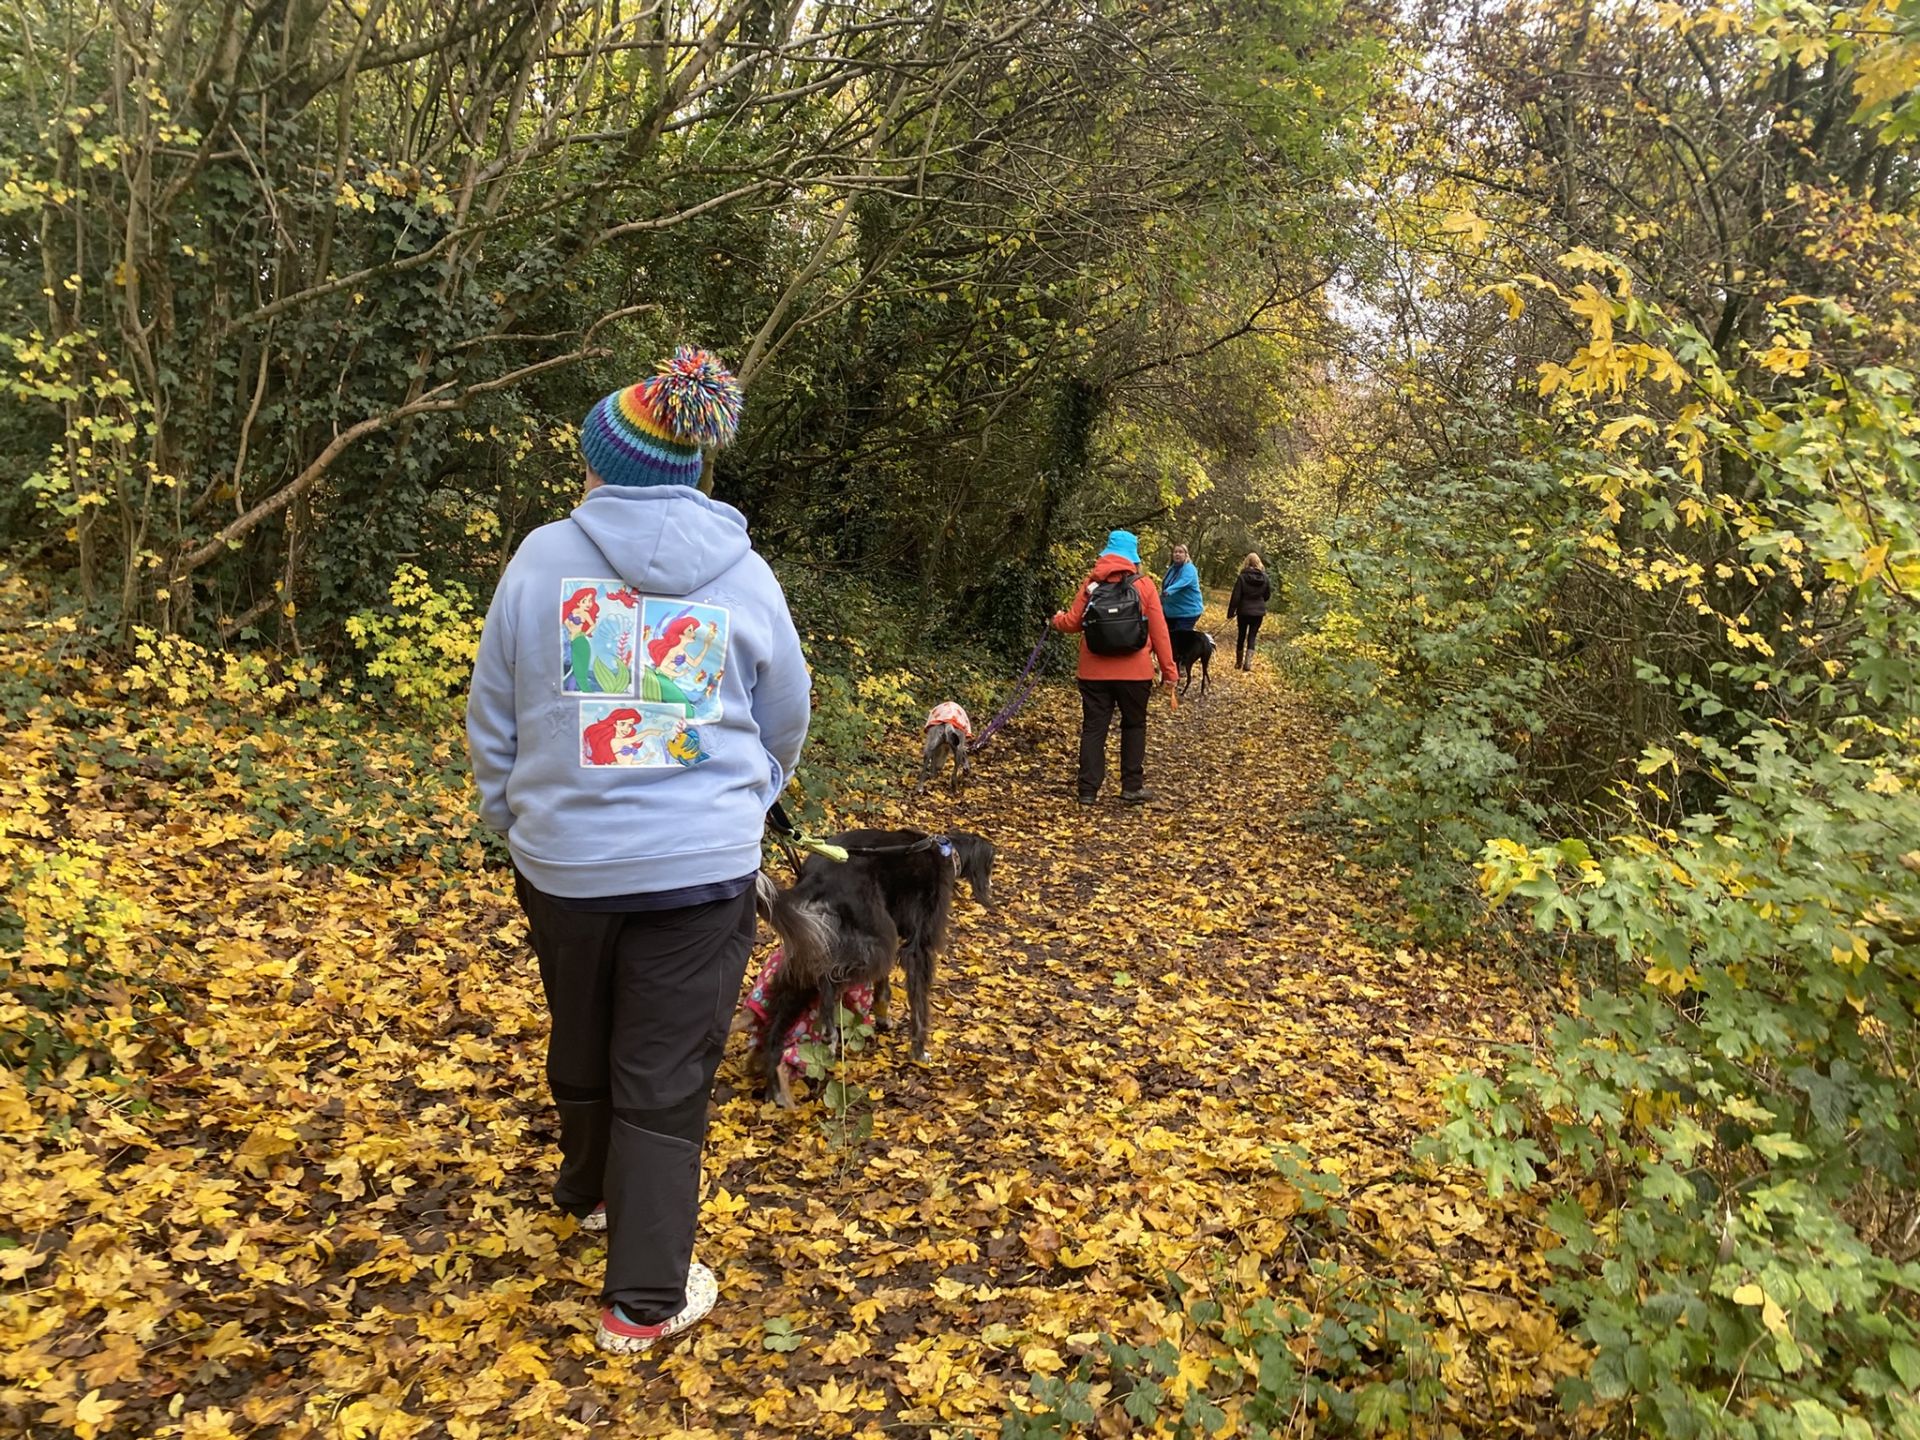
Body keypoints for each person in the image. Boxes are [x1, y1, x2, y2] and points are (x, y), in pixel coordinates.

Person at [466, 347, 812, 1356]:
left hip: (563, 862)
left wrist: (514, 816)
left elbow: (494, 713)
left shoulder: (539, 560)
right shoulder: (746, 579)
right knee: (664, 1066)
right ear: (691, 470)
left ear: (600, 468)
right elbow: (785, 716)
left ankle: (589, 1199)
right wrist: (749, 802)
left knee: (581, 1026)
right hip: (699, 871)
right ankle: (646, 1301)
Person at [1052, 529, 1176, 805]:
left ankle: (1087, 791)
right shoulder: (1144, 586)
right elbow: (1160, 632)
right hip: (1135, 673)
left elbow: (1072, 623)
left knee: (1094, 728)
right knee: (1134, 726)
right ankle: (1131, 787)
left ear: (1106, 552)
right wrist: (1170, 672)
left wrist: (1056, 620)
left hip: (1094, 672)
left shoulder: (1091, 583)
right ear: (1134, 557)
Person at [1226, 552, 1273, 671]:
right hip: (1258, 612)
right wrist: (1260, 601)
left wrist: (1231, 612)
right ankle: (1248, 663)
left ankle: (1238, 663)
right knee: (1252, 636)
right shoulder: (1265, 578)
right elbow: (1267, 595)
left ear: (1246, 562)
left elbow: (1236, 596)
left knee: (1241, 635)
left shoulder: (1242, 577)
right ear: (1259, 563)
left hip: (1243, 611)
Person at [1160, 544, 1204, 635]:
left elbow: (1182, 582)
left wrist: (1167, 592)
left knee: (1180, 641)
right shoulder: (1172, 568)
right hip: (1171, 612)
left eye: (1180, 552)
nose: (1177, 554)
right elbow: (1165, 583)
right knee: (1168, 638)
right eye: (1175, 552)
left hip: (1187, 612)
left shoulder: (1189, 568)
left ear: (1186, 555)